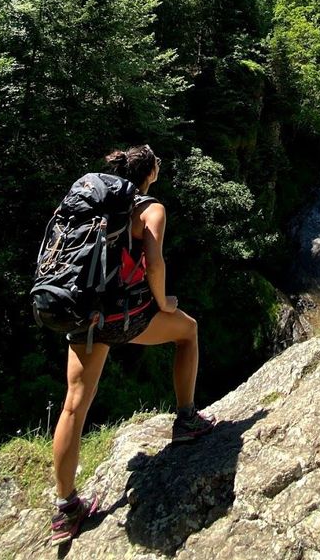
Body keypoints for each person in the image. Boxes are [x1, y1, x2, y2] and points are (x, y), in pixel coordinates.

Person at [49, 144, 214, 545]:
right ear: (150, 173)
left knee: (73, 404)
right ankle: (186, 419)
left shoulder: (91, 205)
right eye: (158, 164)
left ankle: (66, 508)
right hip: (126, 316)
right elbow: (154, 263)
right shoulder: (149, 208)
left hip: (84, 313)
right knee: (188, 331)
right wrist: (164, 303)